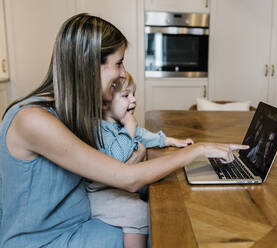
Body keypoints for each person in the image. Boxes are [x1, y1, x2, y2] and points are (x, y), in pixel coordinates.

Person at [0, 13, 249, 248]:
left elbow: (118, 163)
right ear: (87, 62)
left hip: (80, 221)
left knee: (159, 212)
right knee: (163, 230)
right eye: (118, 63)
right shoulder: (33, 120)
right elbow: (127, 178)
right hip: (46, 241)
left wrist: (145, 155)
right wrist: (199, 149)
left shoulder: (72, 113)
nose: (122, 74)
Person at [86, 71, 194, 248]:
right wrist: (129, 127)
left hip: (117, 186)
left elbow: (143, 135)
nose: (134, 100)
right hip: (99, 194)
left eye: (134, 94)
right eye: (126, 96)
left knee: (157, 193)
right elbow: (116, 158)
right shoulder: (99, 129)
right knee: (138, 212)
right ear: (104, 104)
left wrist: (170, 140)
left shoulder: (118, 123)